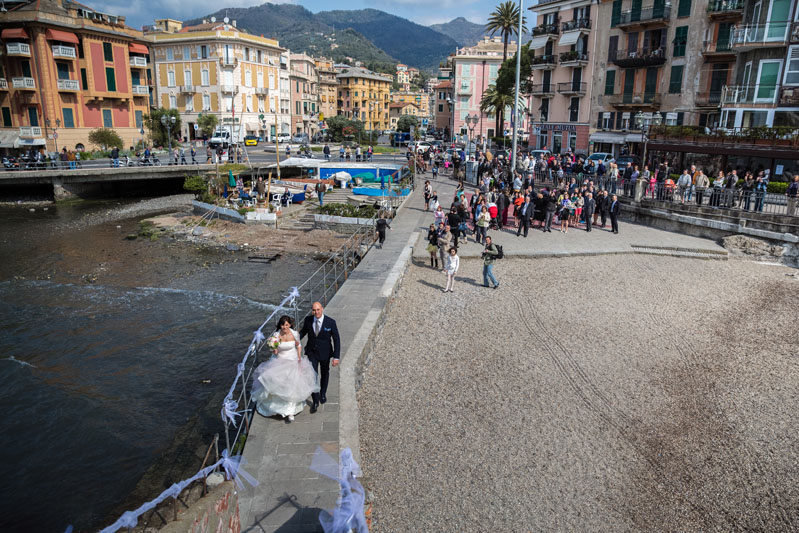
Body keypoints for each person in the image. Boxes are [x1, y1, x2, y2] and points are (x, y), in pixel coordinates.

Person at [252, 316, 320, 422]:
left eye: (287, 325)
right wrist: (273, 348)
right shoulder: (276, 335)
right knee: (273, 380)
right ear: (280, 325)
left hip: (292, 360)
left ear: (290, 325)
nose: (284, 327)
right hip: (280, 360)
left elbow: (298, 345)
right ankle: (277, 408)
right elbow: (275, 352)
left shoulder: (294, 334)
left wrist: (298, 356)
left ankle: (290, 411)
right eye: (283, 325)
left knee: (292, 384)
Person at [300, 302, 341, 413]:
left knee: (324, 373)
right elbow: (303, 332)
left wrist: (336, 357)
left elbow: (336, 340)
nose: (316, 312)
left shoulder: (331, 322)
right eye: (314, 310)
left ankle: (323, 393)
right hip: (312, 352)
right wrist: (291, 339)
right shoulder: (308, 320)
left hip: (325, 353)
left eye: (318, 309)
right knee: (312, 375)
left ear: (322, 309)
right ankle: (315, 400)